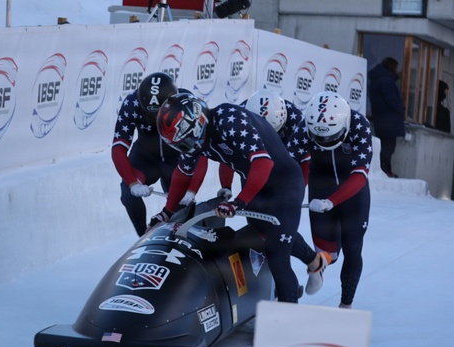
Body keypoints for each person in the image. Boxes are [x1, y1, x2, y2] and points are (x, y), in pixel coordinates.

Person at [151, 93, 307, 303]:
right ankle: (314, 261)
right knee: (263, 232)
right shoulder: (195, 137)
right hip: (256, 184)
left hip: (285, 185)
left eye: (185, 141)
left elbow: (263, 163)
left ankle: (287, 317)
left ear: (198, 122)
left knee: (278, 257)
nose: (185, 147)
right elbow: (183, 173)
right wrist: (166, 212)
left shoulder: (228, 119)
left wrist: (238, 202)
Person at [235, 89, 329, 292]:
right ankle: (311, 263)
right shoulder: (238, 116)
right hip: (254, 165)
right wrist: (226, 186)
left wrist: (293, 197)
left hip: (285, 171)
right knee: (258, 225)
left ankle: (293, 275)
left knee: (279, 231)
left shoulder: (297, 122)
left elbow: (304, 165)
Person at [111, 73, 207, 236]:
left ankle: (178, 239)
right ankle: (143, 235)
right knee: (128, 193)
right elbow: (118, 148)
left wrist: (192, 190)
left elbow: (201, 151)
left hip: (177, 161)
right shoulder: (131, 103)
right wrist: (133, 183)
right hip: (145, 158)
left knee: (181, 207)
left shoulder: (187, 102)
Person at [302, 91, 373, 309]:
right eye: (319, 137)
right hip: (320, 187)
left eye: (330, 137)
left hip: (353, 191)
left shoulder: (360, 125)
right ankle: (318, 264)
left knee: (353, 248)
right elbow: (293, 163)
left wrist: (331, 201)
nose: (325, 142)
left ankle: (346, 304)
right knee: (328, 253)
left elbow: (360, 175)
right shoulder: (304, 127)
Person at [367, 57, 405, 177]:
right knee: (388, 147)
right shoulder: (386, 81)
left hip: (380, 118)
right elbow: (392, 101)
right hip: (389, 120)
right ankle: (384, 170)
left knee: (385, 146)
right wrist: (401, 110)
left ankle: (386, 169)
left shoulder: (377, 80)